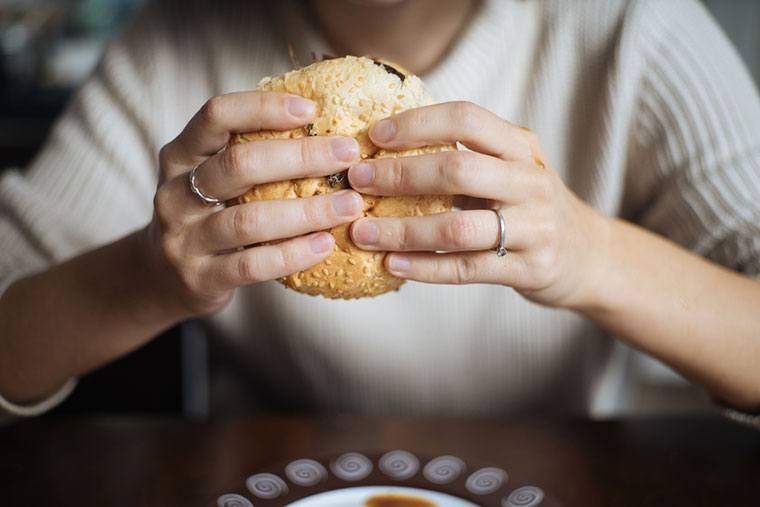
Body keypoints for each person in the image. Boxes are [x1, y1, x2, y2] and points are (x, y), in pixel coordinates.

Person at [1, 0, 759, 421]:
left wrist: (587, 253)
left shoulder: (636, 32)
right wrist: (146, 274)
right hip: (274, 475)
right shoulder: (168, 49)